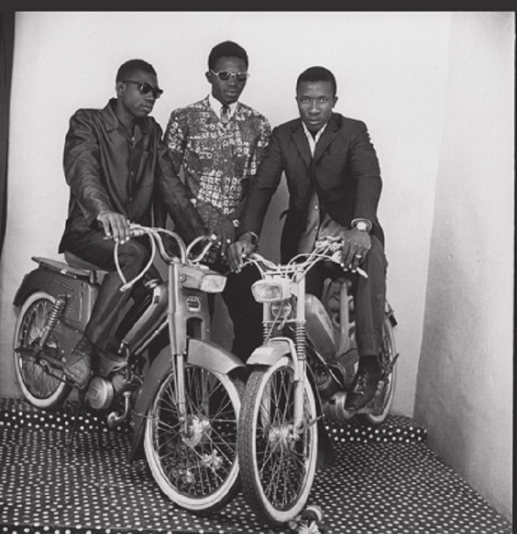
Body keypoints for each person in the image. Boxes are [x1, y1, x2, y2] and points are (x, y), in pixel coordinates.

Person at [229, 66, 388, 411]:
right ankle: (315, 373)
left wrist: (361, 227)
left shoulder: (353, 131)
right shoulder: (284, 136)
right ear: (297, 99)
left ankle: (370, 363)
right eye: (306, 100)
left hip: (349, 234)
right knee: (294, 310)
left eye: (322, 100)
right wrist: (247, 235)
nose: (314, 108)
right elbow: (263, 187)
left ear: (334, 101)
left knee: (371, 257)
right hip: (305, 241)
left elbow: (368, 177)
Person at [59, 59, 208, 390]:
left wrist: (202, 239)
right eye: (144, 88)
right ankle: (86, 348)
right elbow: (82, 169)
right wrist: (103, 212)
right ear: (120, 88)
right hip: (88, 233)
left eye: (156, 91)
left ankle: (141, 379)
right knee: (133, 256)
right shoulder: (88, 121)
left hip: (131, 243)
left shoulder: (150, 133)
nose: (151, 96)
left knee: (161, 295)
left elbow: (172, 189)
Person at [164, 40, 271, 361]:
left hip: (236, 244)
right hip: (192, 243)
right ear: (209, 76)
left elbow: (257, 187)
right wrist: (194, 228)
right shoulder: (184, 118)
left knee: (254, 322)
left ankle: (238, 390)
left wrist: (234, 222)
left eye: (240, 77)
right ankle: (183, 393)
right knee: (190, 327)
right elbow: (167, 181)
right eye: (225, 75)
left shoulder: (258, 124)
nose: (233, 82)